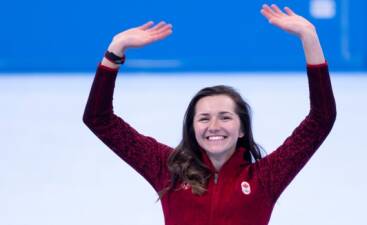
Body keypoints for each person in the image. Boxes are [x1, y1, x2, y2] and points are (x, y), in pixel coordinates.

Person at [83, 4, 336, 225]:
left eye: (225, 117)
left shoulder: (265, 178)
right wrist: (114, 51)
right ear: (192, 128)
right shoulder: (168, 170)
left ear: (242, 129)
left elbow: (321, 119)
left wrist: (309, 38)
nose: (214, 125)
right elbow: (99, 119)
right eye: (204, 118)